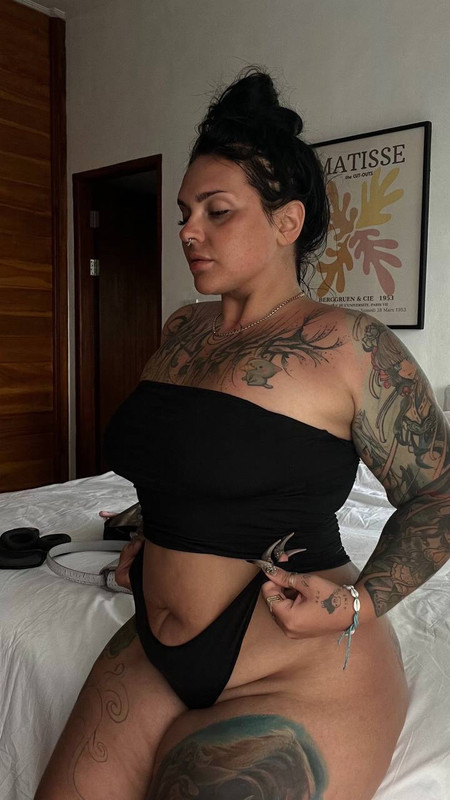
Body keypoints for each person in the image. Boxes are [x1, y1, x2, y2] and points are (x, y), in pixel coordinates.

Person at [35, 67, 449, 800]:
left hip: (295, 665)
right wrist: (153, 529)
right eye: (184, 211)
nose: (187, 231)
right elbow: (188, 456)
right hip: (159, 648)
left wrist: (357, 605)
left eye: (216, 211)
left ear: (286, 222)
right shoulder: (182, 328)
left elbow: (438, 496)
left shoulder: (350, 344)